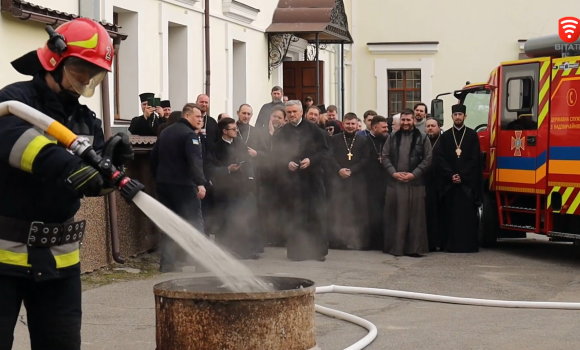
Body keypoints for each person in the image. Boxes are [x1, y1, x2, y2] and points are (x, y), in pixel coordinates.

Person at [0, 19, 133, 349]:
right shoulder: (13, 104)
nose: (86, 80)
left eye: (93, 74)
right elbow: (28, 148)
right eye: (79, 69)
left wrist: (112, 169)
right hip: (4, 256)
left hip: (60, 260)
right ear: (55, 60)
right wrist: (76, 167)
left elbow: (96, 181)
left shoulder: (86, 120)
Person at [150, 103, 207, 272]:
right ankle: (202, 264)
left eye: (202, 117)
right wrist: (200, 183)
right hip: (185, 187)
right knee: (195, 224)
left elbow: (154, 158)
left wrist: (159, 178)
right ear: (187, 116)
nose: (200, 120)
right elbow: (195, 162)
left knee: (169, 224)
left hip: (164, 185)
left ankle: (167, 264)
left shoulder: (166, 132)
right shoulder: (190, 135)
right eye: (198, 116)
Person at [274, 100, 330, 261]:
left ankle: (317, 251)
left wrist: (311, 160)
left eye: (294, 112)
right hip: (293, 182)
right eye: (289, 112)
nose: (292, 115)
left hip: (313, 179)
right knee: (295, 216)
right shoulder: (282, 132)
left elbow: (325, 152)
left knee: (315, 214)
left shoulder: (314, 129)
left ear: (301, 112)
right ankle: (296, 252)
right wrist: (286, 163)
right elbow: (275, 154)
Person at [381, 109, 432, 257]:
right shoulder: (392, 137)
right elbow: (385, 157)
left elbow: (428, 159)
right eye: (403, 120)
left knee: (415, 217)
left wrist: (413, 174)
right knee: (395, 216)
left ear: (413, 121)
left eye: (408, 120)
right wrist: (393, 173)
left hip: (415, 183)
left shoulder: (423, 138)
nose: (405, 123)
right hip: (395, 182)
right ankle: (395, 248)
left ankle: (414, 248)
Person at [436, 104, 482, 253]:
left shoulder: (472, 135)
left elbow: (475, 159)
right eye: (455, 115)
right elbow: (440, 158)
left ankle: (468, 246)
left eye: (460, 115)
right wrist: (451, 175)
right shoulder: (445, 136)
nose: (457, 117)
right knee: (450, 215)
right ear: (452, 117)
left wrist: (461, 175)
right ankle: (449, 245)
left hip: (466, 184)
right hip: (450, 184)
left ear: (465, 117)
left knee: (466, 216)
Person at [212, 117, 260, 259]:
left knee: (245, 219)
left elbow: (248, 161)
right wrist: (227, 169)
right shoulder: (216, 148)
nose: (236, 131)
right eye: (233, 129)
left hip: (243, 187)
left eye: (236, 128)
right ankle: (227, 252)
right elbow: (210, 168)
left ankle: (245, 250)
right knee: (228, 220)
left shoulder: (239, 143)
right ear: (224, 131)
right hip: (226, 189)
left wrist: (250, 177)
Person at [328, 113, 370, 249]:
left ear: (357, 124)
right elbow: (329, 156)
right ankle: (338, 241)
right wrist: (339, 170)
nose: (350, 126)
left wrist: (352, 170)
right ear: (343, 124)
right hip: (338, 180)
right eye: (348, 124)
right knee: (339, 211)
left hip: (356, 181)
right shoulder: (334, 139)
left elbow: (366, 159)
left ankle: (357, 241)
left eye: (353, 124)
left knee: (357, 211)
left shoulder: (363, 140)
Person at [365, 115, 389, 250]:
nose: (387, 129)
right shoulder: (364, 141)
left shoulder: (387, 140)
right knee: (372, 213)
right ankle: (371, 242)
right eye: (384, 127)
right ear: (375, 127)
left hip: (385, 182)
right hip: (370, 183)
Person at [424, 117, 443, 251]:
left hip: (441, 182)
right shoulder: (422, 141)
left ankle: (440, 242)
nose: (430, 128)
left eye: (433, 126)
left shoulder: (444, 141)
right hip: (425, 181)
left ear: (439, 127)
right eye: (428, 126)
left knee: (440, 214)